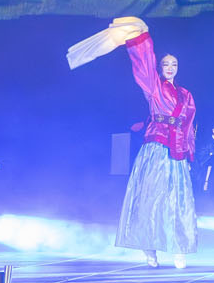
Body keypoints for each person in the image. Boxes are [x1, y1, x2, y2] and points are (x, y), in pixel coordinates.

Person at [69, 16, 197, 268]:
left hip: (177, 151)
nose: (170, 67)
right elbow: (144, 62)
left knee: (177, 201)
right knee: (150, 198)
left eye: (174, 64)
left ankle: (178, 248)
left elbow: (189, 125)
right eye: (166, 64)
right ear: (159, 67)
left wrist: (189, 153)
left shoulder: (186, 95)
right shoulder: (154, 87)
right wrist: (142, 39)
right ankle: (149, 247)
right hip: (156, 147)